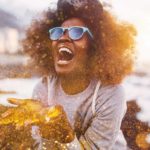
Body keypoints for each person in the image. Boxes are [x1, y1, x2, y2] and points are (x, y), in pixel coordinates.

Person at [22, 0, 136, 149]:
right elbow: (38, 145)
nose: (63, 38)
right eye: (57, 32)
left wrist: (63, 134)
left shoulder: (111, 93)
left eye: (76, 32)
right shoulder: (44, 88)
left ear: (95, 47)